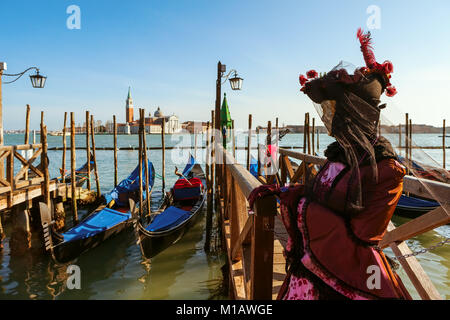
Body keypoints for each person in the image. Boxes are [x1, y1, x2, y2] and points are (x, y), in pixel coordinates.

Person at [248, 28, 411, 300]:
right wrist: (286, 192)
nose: (328, 117)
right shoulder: (339, 155)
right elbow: (324, 198)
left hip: (347, 280)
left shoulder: (386, 170)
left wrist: (297, 205)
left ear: (354, 112)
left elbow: (361, 239)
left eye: (333, 109)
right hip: (311, 269)